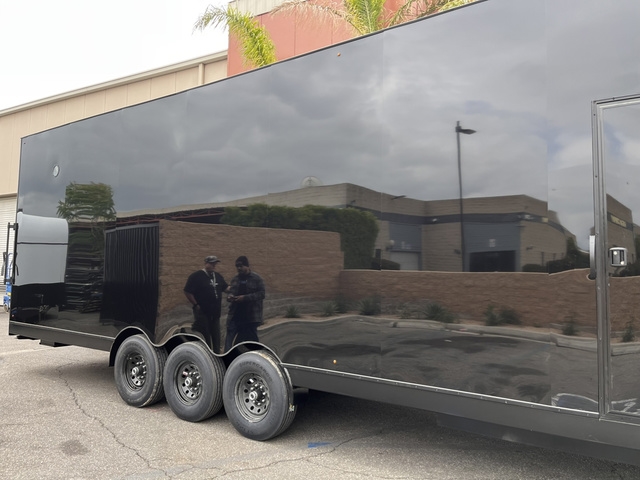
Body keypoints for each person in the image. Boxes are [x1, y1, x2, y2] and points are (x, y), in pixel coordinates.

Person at [184, 256, 229, 353]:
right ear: (206, 263)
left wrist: (236, 287)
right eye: (212, 263)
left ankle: (216, 354)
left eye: (215, 264)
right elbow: (187, 291)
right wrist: (196, 304)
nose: (214, 265)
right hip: (203, 312)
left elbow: (225, 288)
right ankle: (206, 354)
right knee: (205, 336)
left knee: (216, 336)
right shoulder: (196, 276)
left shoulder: (217, 276)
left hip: (215, 313)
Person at [224, 255, 265, 351]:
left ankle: (255, 355)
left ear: (247, 266)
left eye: (241, 266)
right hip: (235, 315)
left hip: (251, 316)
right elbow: (231, 291)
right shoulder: (235, 279)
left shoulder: (257, 278)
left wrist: (245, 298)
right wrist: (230, 297)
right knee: (229, 338)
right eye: (237, 266)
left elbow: (261, 294)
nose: (239, 268)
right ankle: (227, 356)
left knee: (252, 341)